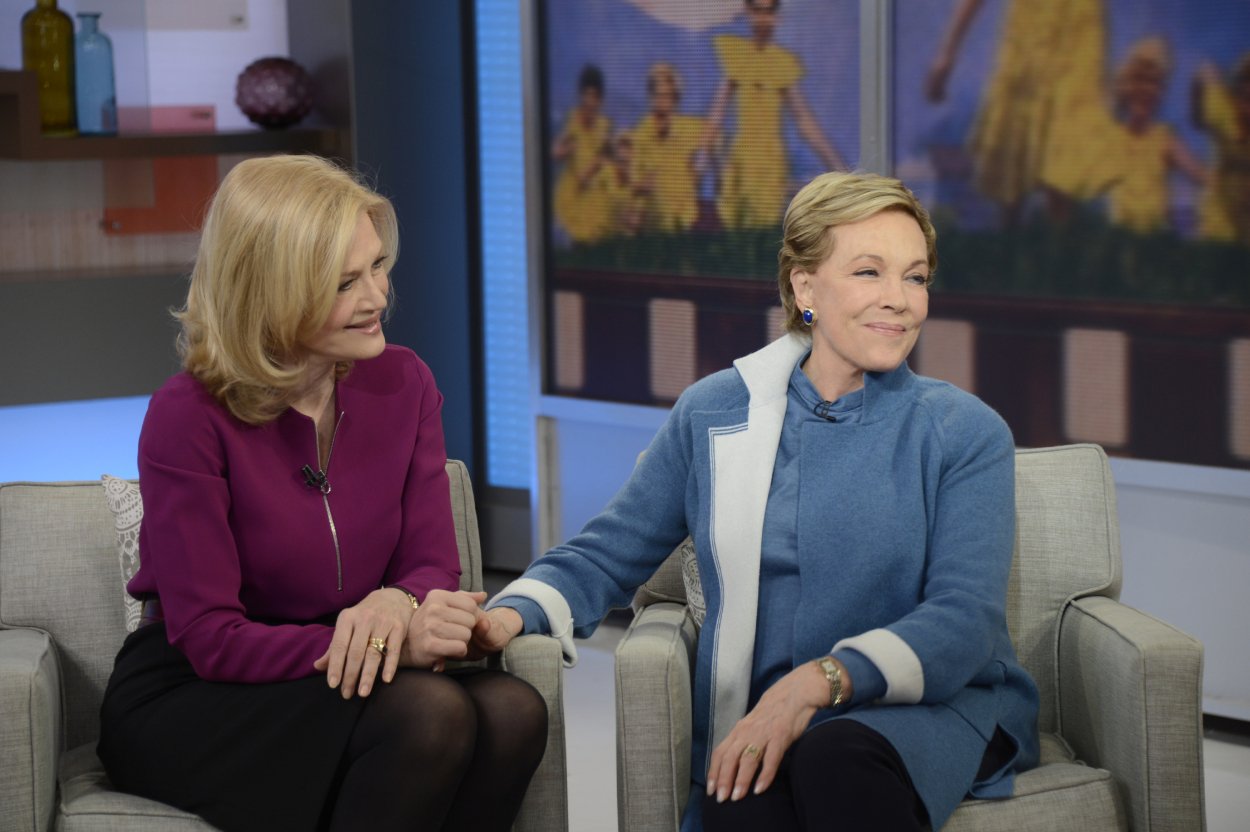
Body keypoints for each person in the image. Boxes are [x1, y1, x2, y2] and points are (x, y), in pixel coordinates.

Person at [473, 171, 1040, 831]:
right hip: (774, 716)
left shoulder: (964, 432)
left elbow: (963, 622)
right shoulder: (715, 412)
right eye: (869, 273)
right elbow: (608, 552)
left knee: (837, 755)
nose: (900, 301)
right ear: (805, 287)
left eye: (915, 278)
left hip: (933, 704)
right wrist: (507, 615)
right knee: (738, 804)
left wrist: (815, 684)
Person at [96, 154, 547, 832]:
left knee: (514, 711)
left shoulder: (404, 383)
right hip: (203, 694)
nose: (376, 298)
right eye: (344, 283)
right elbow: (212, 637)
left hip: (347, 678)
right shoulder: (188, 415)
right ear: (272, 294)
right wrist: (374, 646)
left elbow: (430, 563)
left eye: (378, 266)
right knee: (431, 715)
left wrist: (398, 604)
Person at [927, 0, 1119, 225]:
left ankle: (1057, 248)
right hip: (1031, 36)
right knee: (1013, 158)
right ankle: (1010, 245)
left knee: (1065, 164)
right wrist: (947, 53)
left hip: (1080, 33)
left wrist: (1105, 81)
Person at [706, 0, 846, 229]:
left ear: (776, 15)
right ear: (748, 12)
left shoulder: (782, 62)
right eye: (758, 11)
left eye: (769, 12)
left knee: (765, 231)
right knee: (737, 229)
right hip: (741, 161)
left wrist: (840, 167)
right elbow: (717, 114)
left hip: (771, 164)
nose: (763, 19)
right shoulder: (735, 53)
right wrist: (702, 157)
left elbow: (804, 119)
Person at [1105, 37, 1207, 235]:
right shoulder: (1112, 136)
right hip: (1118, 242)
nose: (1145, 89)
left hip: (1155, 244)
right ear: (1126, 85)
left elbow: (1203, 176)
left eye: (1153, 82)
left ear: (1161, 91)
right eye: (1139, 79)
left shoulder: (1164, 139)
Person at [629, 61, 708, 232]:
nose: (663, 101)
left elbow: (715, 138)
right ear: (651, 96)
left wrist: (698, 171)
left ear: (676, 98)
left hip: (686, 221)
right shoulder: (641, 134)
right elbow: (633, 181)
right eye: (658, 95)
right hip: (653, 224)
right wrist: (646, 185)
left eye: (668, 96)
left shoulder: (689, 127)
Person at [552, 64, 617, 243]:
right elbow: (555, 152)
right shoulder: (572, 121)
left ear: (601, 100)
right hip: (571, 197)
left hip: (594, 198)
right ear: (581, 96)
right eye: (586, 95)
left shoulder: (605, 126)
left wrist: (608, 152)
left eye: (594, 97)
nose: (590, 102)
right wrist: (562, 151)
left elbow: (614, 159)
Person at [1193, 54, 1250, 245]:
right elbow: (1198, 118)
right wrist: (1200, 83)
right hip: (1216, 228)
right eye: (1246, 80)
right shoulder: (1222, 107)